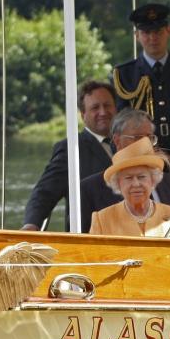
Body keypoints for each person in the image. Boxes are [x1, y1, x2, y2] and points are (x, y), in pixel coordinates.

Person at [111, 3, 170, 185]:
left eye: (157, 32)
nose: (152, 38)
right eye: (146, 33)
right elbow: (121, 123)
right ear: (137, 36)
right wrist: (149, 152)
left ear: (168, 30)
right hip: (142, 163)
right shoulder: (125, 74)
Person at [21, 80, 117, 232]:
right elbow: (44, 193)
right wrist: (32, 225)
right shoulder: (71, 148)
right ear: (83, 114)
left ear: (116, 108)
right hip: (88, 240)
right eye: (95, 107)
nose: (103, 112)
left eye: (107, 105)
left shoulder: (129, 143)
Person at [79, 108, 170, 233]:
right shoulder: (90, 189)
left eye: (149, 138)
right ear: (117, 141)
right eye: (138, 137)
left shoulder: (167, 181)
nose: (145, 143)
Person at [90, 136, 170, 238]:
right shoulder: (102, 219)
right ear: (118, 184)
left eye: (141, 177)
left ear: (152, 180)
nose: (136, 183)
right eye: (128, 178)